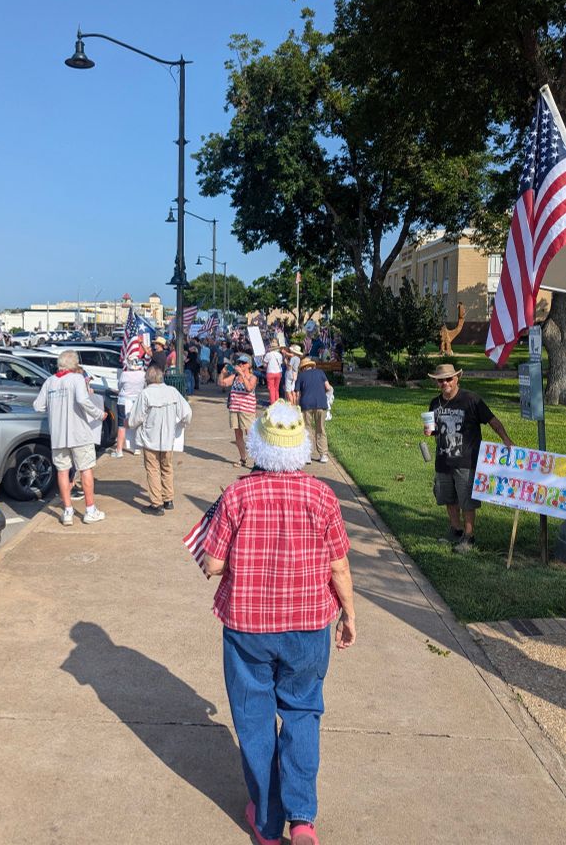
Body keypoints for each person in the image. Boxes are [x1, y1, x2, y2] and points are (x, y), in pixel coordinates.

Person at [203, 400, 355, 845]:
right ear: (301, 446)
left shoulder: (237, 494)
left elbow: (212, 563)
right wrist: (349, 613)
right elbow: (339, 565)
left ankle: (267, 824)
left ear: (258, 444)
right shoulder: (322, 495)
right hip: (308, 625)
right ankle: (302, 819)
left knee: (254, 721)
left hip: (248, 625)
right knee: (303, 713)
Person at [424, 363, 513, 553]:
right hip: (443, 461)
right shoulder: (435, 403)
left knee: (467, 501)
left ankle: (469, 537)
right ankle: (455, 531)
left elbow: (493, 421)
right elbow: (432, 430)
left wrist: (505, 439)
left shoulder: (471, 400)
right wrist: (428, 431)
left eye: (449, 379)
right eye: (441, 380)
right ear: (436, 382)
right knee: (448, 499)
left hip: (467, 461)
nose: (445, 383)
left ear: (457, 378)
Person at [33, 350, 108, 526]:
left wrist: (55, 409)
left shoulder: (50, 381)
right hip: (79, 433)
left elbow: (38, 406)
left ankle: (67, 511)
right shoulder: (76, 379)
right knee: (86, 469)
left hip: (58, 435)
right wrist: (99, 414)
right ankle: (90, 510)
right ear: (74, 364)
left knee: (62, 471)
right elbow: (83, 400)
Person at [128, 364, 192, 515]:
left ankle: (157, 504)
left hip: (150, 438)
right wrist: (180, 425)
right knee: (167, 468)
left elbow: (135, 419)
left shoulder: (146, 394)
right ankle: (168, 499)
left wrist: (129, 423)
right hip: (168, 438)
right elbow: (187, 413)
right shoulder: (173, 391)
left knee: (153, 470)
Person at [219, 353, 258, 468]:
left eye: (243, 363)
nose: (241, 364)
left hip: (247, 410)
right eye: (239, 362)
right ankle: (243, 458)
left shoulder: (252, 377)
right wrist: (222, 373)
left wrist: (242, 374)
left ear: (249, 365)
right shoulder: (235, 377)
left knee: (250, 435)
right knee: (238, 435)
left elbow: (249, 388)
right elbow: (222, 383)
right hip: (235, 409)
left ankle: (257, 460)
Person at [294, 359, 331, 464]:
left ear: (303, 367)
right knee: (320, 429)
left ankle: (307, 455)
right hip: (321, 403)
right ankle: (323, 454)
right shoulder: (320, 372)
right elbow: (328, 387)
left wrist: (297, 407)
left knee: (307, 429)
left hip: (306, 404)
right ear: (311, 366)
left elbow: (297, 394)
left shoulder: (301, 376)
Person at [111, 355, 146, 459]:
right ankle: (137, 448)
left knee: (122, 426)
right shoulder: (143, 374)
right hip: (137, 401)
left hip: (124, 400)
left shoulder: (124, 375)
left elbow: (120, 387)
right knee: (137, 423)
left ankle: (119, 450)